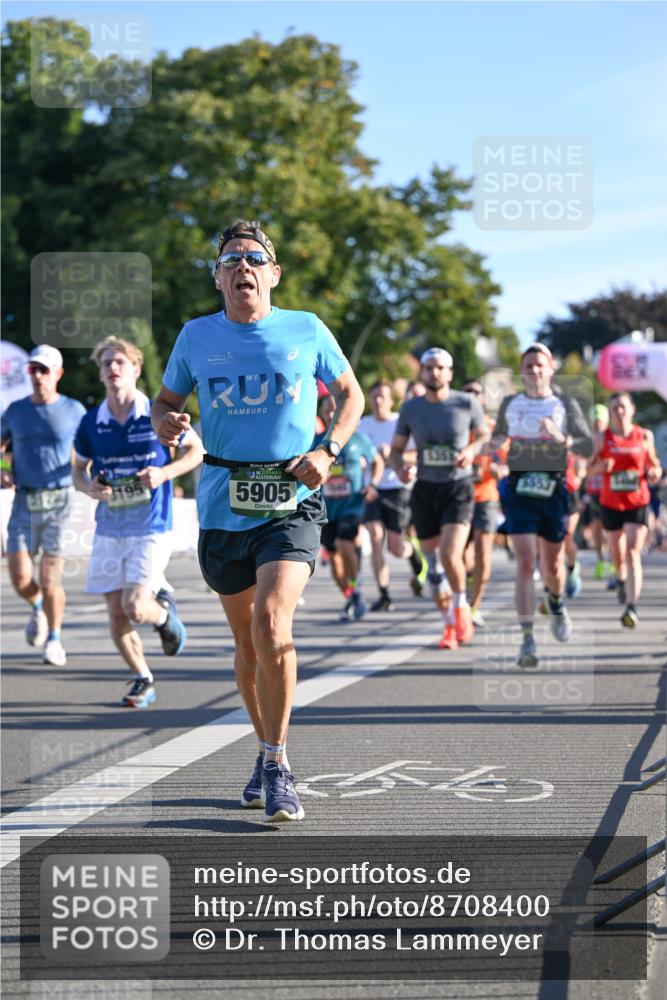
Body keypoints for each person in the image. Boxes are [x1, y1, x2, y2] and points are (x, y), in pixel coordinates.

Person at [151, 219, 364, 822]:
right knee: (246, 641)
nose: (242, 266)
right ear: (218, 277)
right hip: (223, 500)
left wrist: (327, 451)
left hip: (291, 498)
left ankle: (277, 761)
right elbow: (166, 402)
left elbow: (353, 396)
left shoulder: (306, 328)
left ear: (273, 273)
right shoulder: (195, 336)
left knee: (273, 624)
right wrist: (164, 421)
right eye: (230, 259)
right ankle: (264, 747)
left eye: (254, 257)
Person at [73, 336, 203, 707]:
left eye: (119, 363)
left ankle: (162, 616)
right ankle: (142, 678)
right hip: (110, 526)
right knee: (115, 614)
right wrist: (90, 487)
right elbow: (77, 472)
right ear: (100, 374)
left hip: (151, 524)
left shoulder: (155, 413)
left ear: (135, 369)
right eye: (106, 364)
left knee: (134, 606)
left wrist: (164, 474)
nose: (112, 369)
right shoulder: (91, 422)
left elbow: (196, 451)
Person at [488, 343, 593, 667]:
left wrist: (560, 438)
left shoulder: (564, 403)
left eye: (539, 365)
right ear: (522, 371)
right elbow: (496, 440)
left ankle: (557, 602)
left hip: (554, 488)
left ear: (550, 369)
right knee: (524, 562)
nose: (533, 370)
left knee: (552, 565)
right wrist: (490, 453)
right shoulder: (510, 403)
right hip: (519, 487)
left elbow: (588, 445)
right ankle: (527, 639)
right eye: (528, 365)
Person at [389, 347, 487, 650]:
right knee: (433, 565)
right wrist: (400, 469)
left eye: (441, 368)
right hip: (425, 488)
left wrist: (471, 451)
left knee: (449, 554)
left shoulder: (467, 403)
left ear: (450, 373)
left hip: (457, 487)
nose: (435, 372)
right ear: (422, 372)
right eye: (429, 367)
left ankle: (461, 611)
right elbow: (395, 450)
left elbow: (483, 435)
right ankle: (448, 624)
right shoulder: (410, 409)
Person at [0, 345, 86, 667]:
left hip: (60, 501)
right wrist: (3, 470)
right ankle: (38, 608)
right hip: (24, 500)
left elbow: (91, 446)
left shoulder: (74, 410)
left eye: (44, 370)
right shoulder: (16, 410)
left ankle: (54, 639)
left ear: (58, 374)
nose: (37, 376)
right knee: (21, 578)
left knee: (50, 579)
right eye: (33, 369)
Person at [587, 391, 662, 627]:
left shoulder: (644, 436)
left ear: (632, 410)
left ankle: (631, 606)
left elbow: (654, 464)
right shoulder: (602, 438)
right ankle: (620, 578)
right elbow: (587, 471)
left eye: (622, 407)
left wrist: (654, 473)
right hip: (610, 502)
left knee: (632, 552)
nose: (618, 412)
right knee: (617, 554)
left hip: (637, 500)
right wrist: (601, 466)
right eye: (614, 408)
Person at [359, 379, 426, 611]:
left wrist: (393, 456)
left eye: (383, 397)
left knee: (396, 548)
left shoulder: (400, 423)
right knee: (375, 536)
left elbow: (418, 454)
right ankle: (384, 593)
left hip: (398, 488)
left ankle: (415, 556)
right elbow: (354, 453)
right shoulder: (362, 424)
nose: (378, 401)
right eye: (374, 396)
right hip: (372, 489)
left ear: (391, 401)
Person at [317, 391, 383, 620]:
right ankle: (351, 595)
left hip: (352, 504)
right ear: (323, 414)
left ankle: (354, 589)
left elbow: (377, 462)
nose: (332, 413)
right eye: (327, 409)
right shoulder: (315, 441)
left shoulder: (358, 439)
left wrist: (372, 484)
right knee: (334, 560)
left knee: (345, 545)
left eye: (336, 408)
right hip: (326, 508)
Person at [461, 379, 505, 627]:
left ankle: (474, 607)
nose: (472, 396)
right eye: (467, 392)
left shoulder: (492, 427)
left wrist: (502, 468)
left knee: (483, 553)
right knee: (457, 555)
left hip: (486, 496)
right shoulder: (453, 424)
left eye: (477, 392)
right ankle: (465, 583)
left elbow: (508, 457)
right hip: (458, 495)